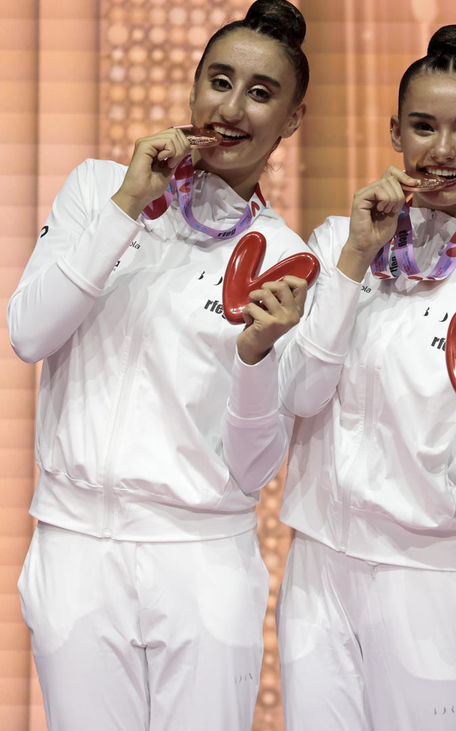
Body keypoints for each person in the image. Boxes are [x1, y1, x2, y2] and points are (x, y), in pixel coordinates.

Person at [9, 1, 312, 728]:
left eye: (261, 93)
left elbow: (253, 466)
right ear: (193, 87)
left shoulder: (287, 259)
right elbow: (28, 333)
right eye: (219, 80)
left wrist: (255, 357)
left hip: (200, 561)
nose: (232, 108)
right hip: (75, 547)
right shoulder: (97, 189)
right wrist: (123, 207)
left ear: (293, 120)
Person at [274, 24, 456, 731]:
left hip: (425, 586)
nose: (443, 151)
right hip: (317, 570)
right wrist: (356, 258)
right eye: (424, 126)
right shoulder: (336, 242)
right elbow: (297, 395)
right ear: (395, 131)